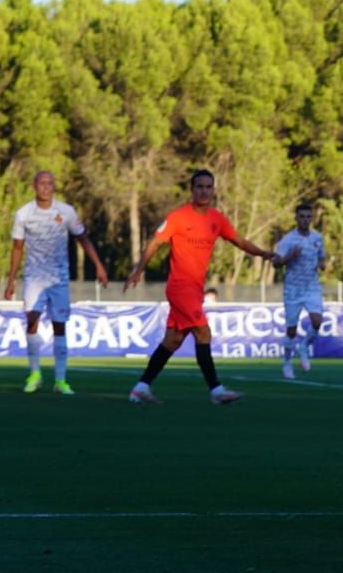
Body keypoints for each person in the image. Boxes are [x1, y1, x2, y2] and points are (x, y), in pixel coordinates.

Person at [123, 170, 276, 404]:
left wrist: (264, 253)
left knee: (172, 341)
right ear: (192, 190)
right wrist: (139, 270)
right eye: (200, 187)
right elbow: (155, 242)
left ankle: (140, 388)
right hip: (180, 286)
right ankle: (216, 390)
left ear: (213, 190)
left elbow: (239, 241)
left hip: (195, 289)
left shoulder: (217, 219)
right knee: (203, 333)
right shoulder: (178, 217)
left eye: (208, 187)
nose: (204, 191)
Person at [2, 171, 110, 394]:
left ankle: (60, 380)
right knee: (31, 319)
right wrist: (11, 280)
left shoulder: (66, 211)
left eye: (50, 183)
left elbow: (82, 238)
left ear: (54, 187)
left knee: (59, 325)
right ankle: (35, 373)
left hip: (59, 278)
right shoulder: (23, 214)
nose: (46, 187)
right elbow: (17, 248)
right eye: (42, 183)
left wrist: (98, 265)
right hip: (34, 277)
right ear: (34, 186)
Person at [272, 202, 328, 380]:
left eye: (308, 217)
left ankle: (304, 346)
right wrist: (290, 257)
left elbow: (322, 256)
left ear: (312, 218)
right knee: (291, 330)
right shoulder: (288, 240)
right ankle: (287, 362)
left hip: (312, 286)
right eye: (301, 217)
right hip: (293, 289)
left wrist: (322, 264)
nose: (305, 220)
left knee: (317, 321)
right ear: (296, 218)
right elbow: (276, 263)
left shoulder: (317, 238)